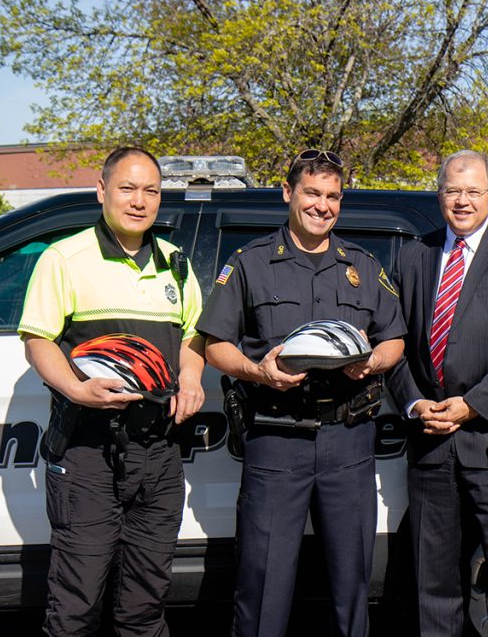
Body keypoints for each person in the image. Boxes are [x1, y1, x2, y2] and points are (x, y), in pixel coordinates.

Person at [196, 149, 405, 637]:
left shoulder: (362, 264)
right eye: (312, 192)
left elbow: (394, 337)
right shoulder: (250, 263)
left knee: (352, 587)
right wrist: (257, 371)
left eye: (333, 196)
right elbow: (214, 345)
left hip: (348, 441)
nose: (323, 205)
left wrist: (373, 362)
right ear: (288, 193)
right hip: (275, 438)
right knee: (262, 585)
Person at [18, 146, 206, 636]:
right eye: (127, 188)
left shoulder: (176, 263)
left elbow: (192, 337)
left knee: (145, 606)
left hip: (159, 453)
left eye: (151, 191)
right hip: (88, 450)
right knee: (75, 606)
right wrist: (76, 391)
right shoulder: (65, 259)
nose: (139, 201)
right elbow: (38, 340)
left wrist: (191, 377)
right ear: (102, 191)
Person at [386, 150, 488, 636]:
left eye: (472, 191)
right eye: (452, 191)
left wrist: (473, 405)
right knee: (433, 583)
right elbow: (391, 342)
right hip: (430, 441)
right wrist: (415, 403)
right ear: (439, 195)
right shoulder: (414, 255)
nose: (462, 201)